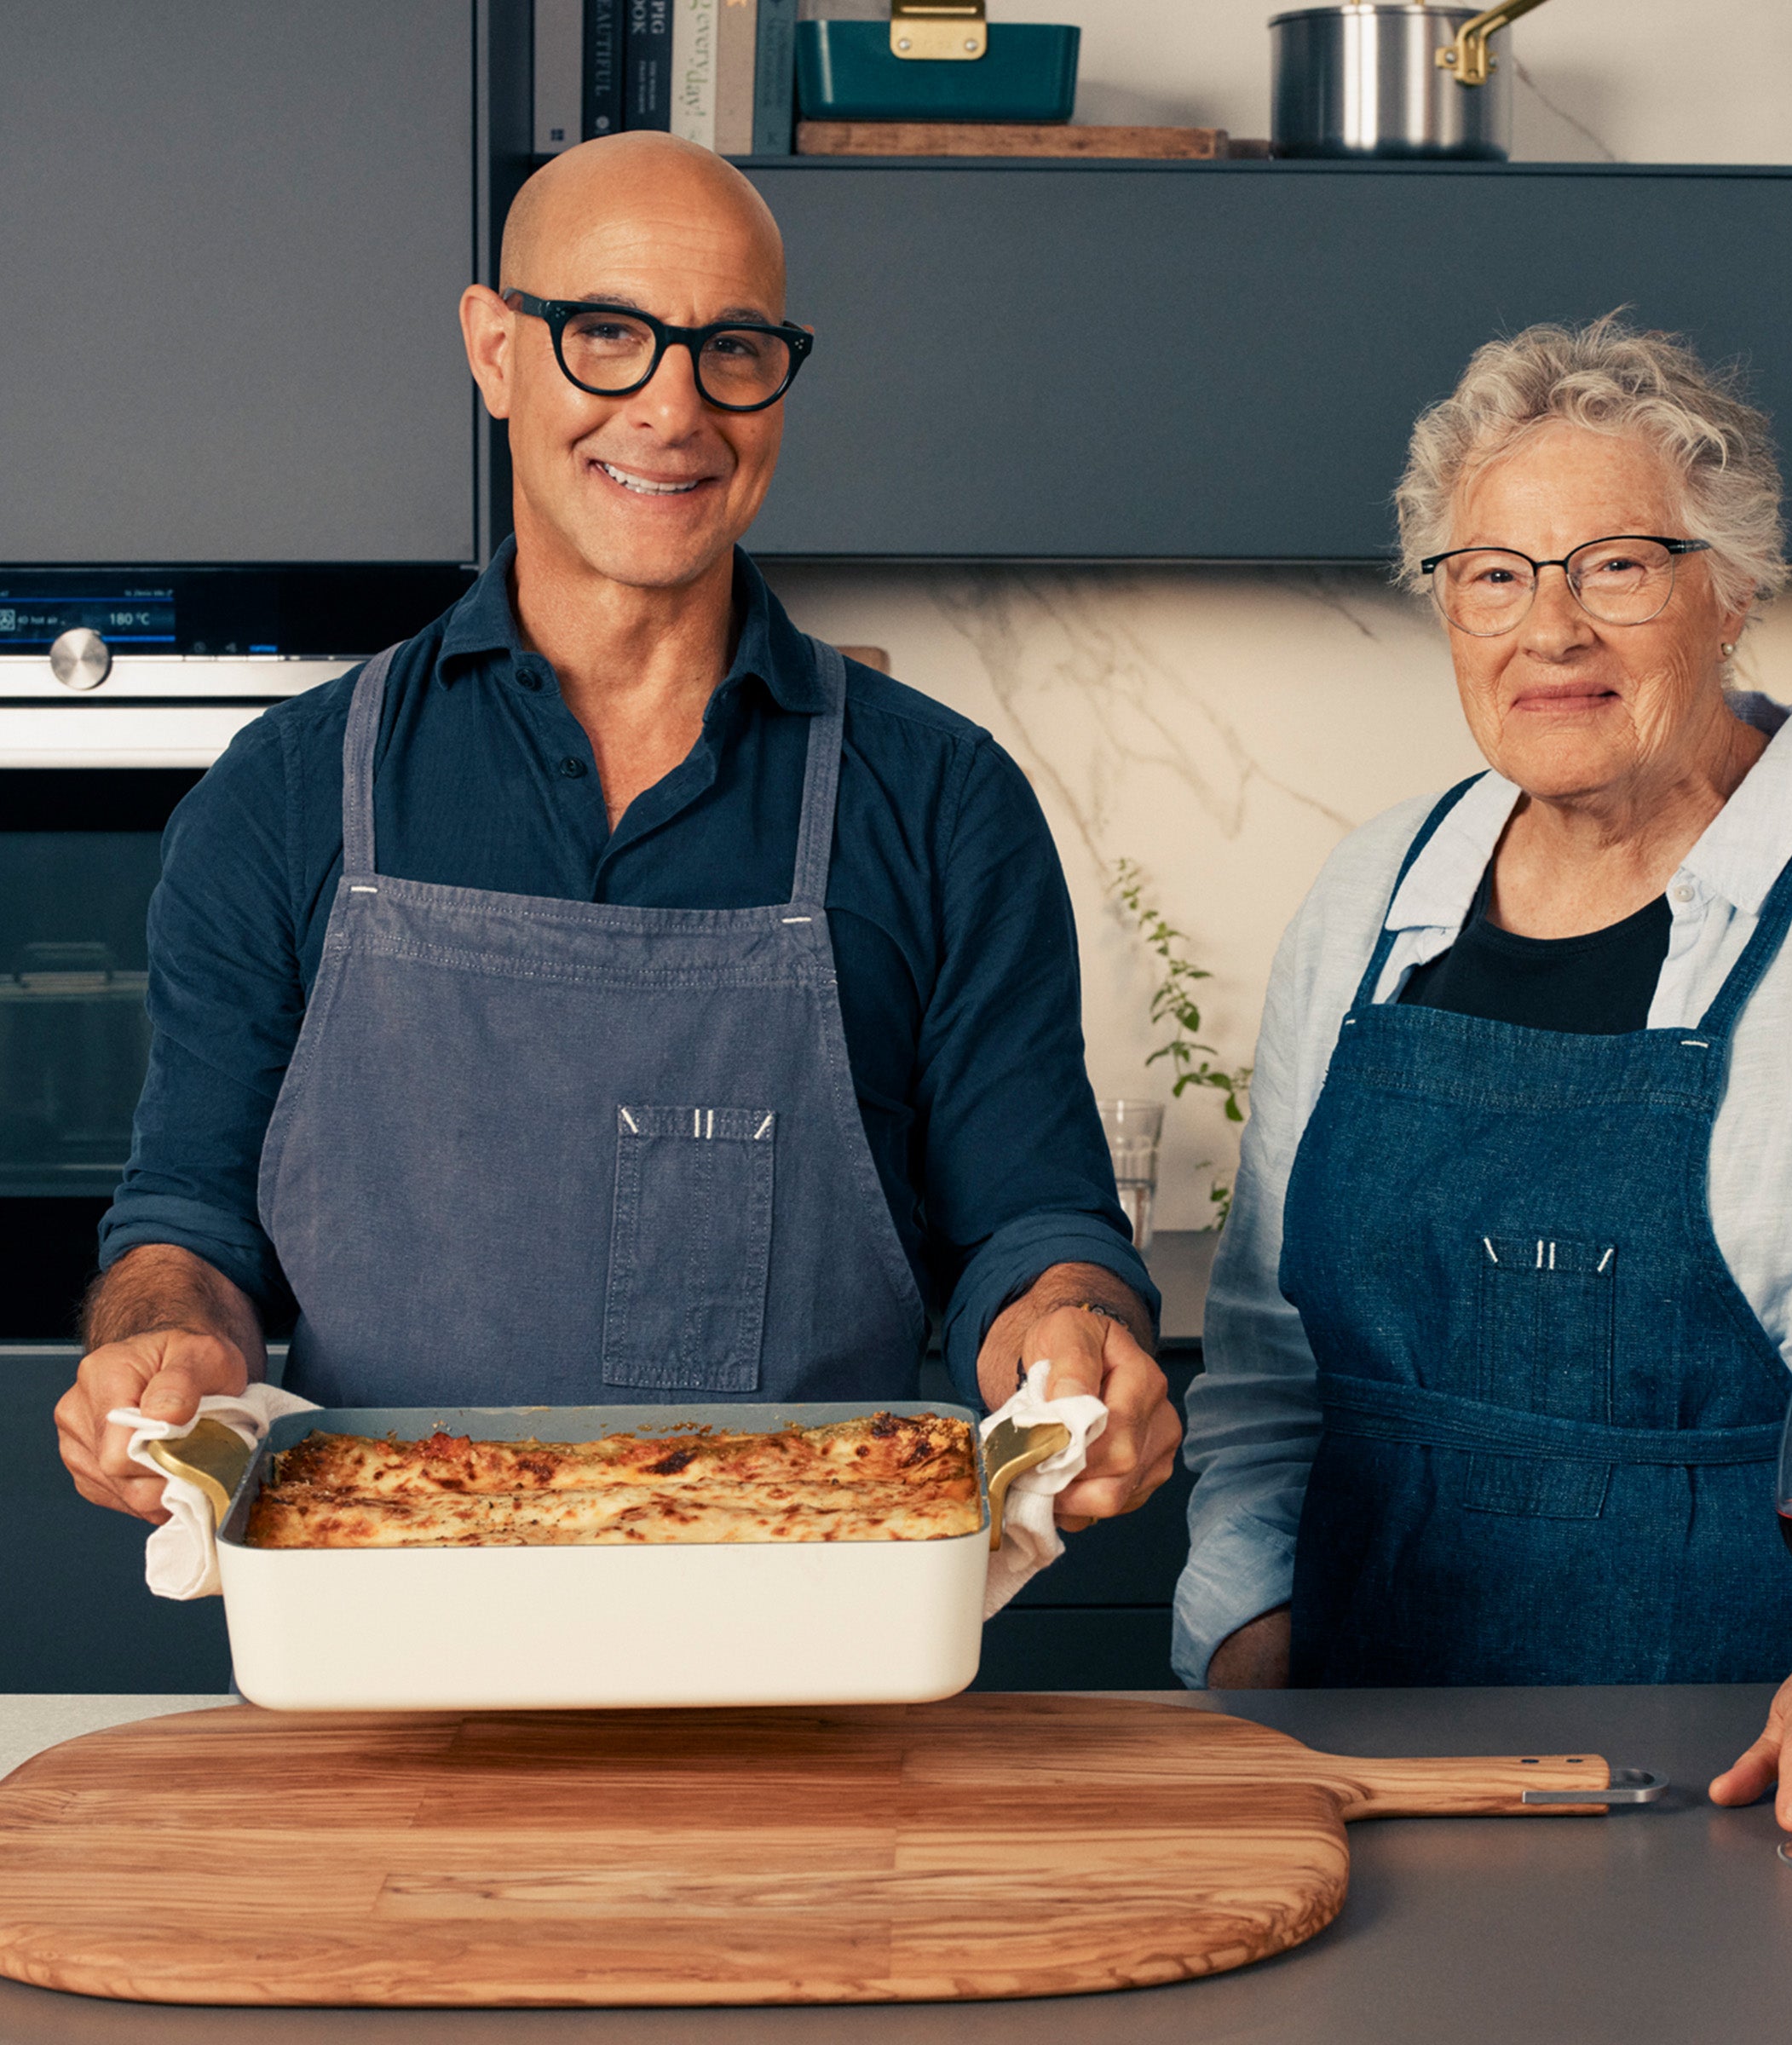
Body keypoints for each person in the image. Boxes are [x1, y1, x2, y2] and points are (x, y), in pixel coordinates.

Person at [57, 134, 1178, 1533]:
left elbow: (1032, 1223)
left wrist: (1074, 1325)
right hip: (384, 1621)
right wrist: (163, 1337)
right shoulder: (282, 798)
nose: (673, 408)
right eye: (607, 335)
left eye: (735, 348)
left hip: (819, 1621)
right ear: (493, 350)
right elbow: (193, 1226)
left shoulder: (944, 802)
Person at [1173, 317, 1792, 1841]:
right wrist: (1255, 1656)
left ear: (1734, 593)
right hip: (1373, 1781)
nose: (1549, 630)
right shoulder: (1370, 899)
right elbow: (1264, 1377)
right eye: (1493, 576)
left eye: (1619, 567)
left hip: (1763, 1785)